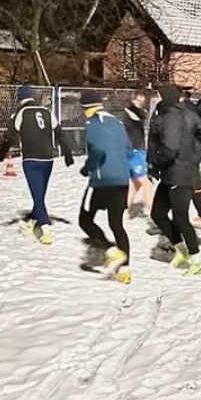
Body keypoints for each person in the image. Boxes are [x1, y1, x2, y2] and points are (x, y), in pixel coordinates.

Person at [0, 85, 74, 244]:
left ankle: (45, 230)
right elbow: (59, 132)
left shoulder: (20, 113)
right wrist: (67, 153)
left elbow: (9, 137)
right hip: (48, 159)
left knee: (38, 197)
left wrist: (1, 155)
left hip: (31, 159)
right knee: (39, 194)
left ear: (19, 98)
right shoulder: (46, 111)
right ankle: (33, 220)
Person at [148, 84, 201, 275]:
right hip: (172, 172)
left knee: (181, 218)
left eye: (159, 95)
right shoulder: (185, 112)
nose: (157, 98)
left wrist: (156, 162)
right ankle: (182, 250)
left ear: (165, 96)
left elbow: (171, 146)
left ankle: (196, 262)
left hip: (180, 171)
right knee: (158, 213)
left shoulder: (170, 116)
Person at [77, 91, 132, 281]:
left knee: (85, 220)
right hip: (122, 179)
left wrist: (87, 168)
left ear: (86, 107)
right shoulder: (117, 122)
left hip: (102, 181)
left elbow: (97, 152)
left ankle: (111, 250)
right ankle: (124, 270)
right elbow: (128, 150)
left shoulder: (93, 123)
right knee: (117, 224)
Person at [122, 90, 152, 218]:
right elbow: (142, 115)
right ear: (133, 100)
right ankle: (149, 208)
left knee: (135, 183)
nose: (140, 104)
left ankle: (125, 209)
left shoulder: (136, 112)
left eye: (142, 101)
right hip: (134, 150)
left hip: (138, 149)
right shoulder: (129, 112)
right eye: (138, 101)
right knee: (146, 182)